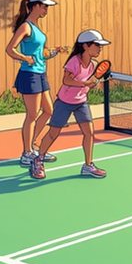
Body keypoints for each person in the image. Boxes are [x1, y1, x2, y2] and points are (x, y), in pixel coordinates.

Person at [30, 30, 111, 180]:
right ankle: (38, 160)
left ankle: (88, 165)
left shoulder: (93, 65)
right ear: (86, 46)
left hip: (81, 102)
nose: (100, 48)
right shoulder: (74, 61)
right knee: (53, 133)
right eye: (97, 45)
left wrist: (91, 84)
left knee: (89, 133)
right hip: (64, 103)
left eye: (101, 46)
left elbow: (88, 83)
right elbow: (66, 81)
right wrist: (84, 83)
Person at [5, 0, 68, 167]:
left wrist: (54, 51)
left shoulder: (37, 28)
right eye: (44, 6)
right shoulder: (26, 27)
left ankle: (32, 146)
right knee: (32, 115)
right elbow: (10, 49)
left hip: (40, 74)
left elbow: (41, 53)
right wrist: (25, 58)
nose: (46, 9)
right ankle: (26, 153)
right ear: (35, 6)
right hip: (29, 74)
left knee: (48, 111)